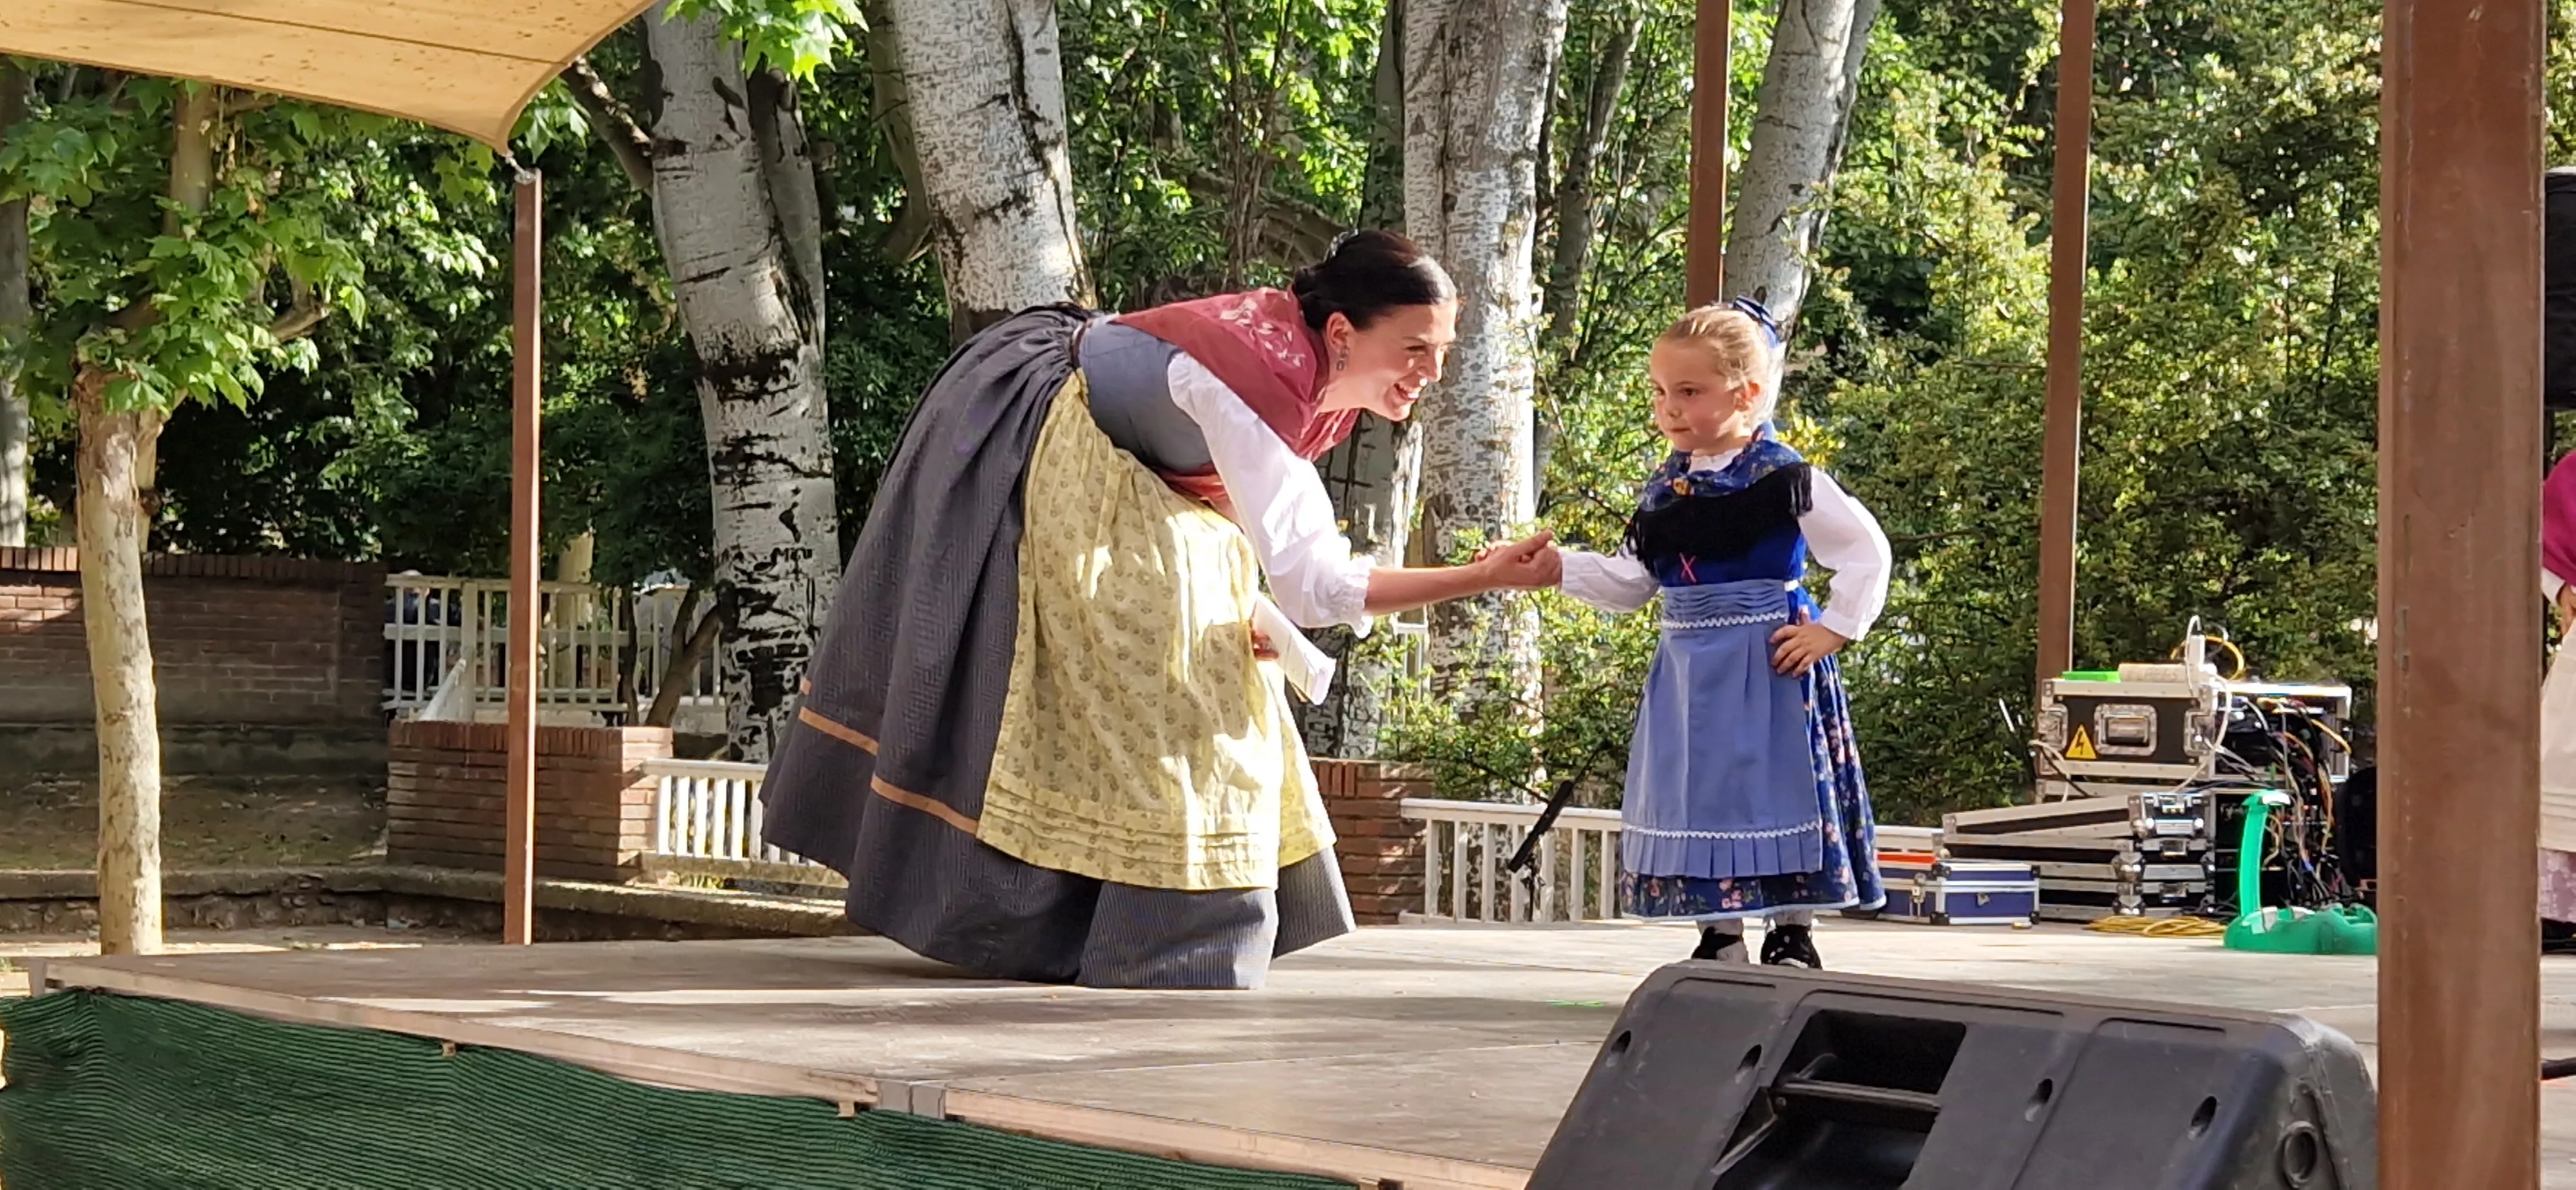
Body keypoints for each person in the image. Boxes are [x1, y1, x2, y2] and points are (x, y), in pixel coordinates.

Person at [758, 231, 1562, 990]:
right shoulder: (1255, 387)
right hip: (1047, 430)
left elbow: (1264, 534)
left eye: (1442, 351)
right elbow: (1316, 587)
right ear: (1343, 332)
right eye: (1415, 348)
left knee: (1209, 657)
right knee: (1149, 678)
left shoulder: (1308, 375)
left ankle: (1133, 932)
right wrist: (1478, 577)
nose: (1433, 372)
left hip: (1137, 466)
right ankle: (1127, 939)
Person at [1552, 299, 1891, 968]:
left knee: (1775, 785)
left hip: (1769, 659)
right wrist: (1556, 568)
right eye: (1659, 393)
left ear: (1747, 393)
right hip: (1689, 669)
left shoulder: (1784, 477)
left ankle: (1791, 931)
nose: (1669, 409)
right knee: (1699, 794)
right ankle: (1720, 933)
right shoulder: (1665, 488)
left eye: (1688, 392)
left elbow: (1865, 550)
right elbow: (1634, 581)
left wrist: (1833, 629)